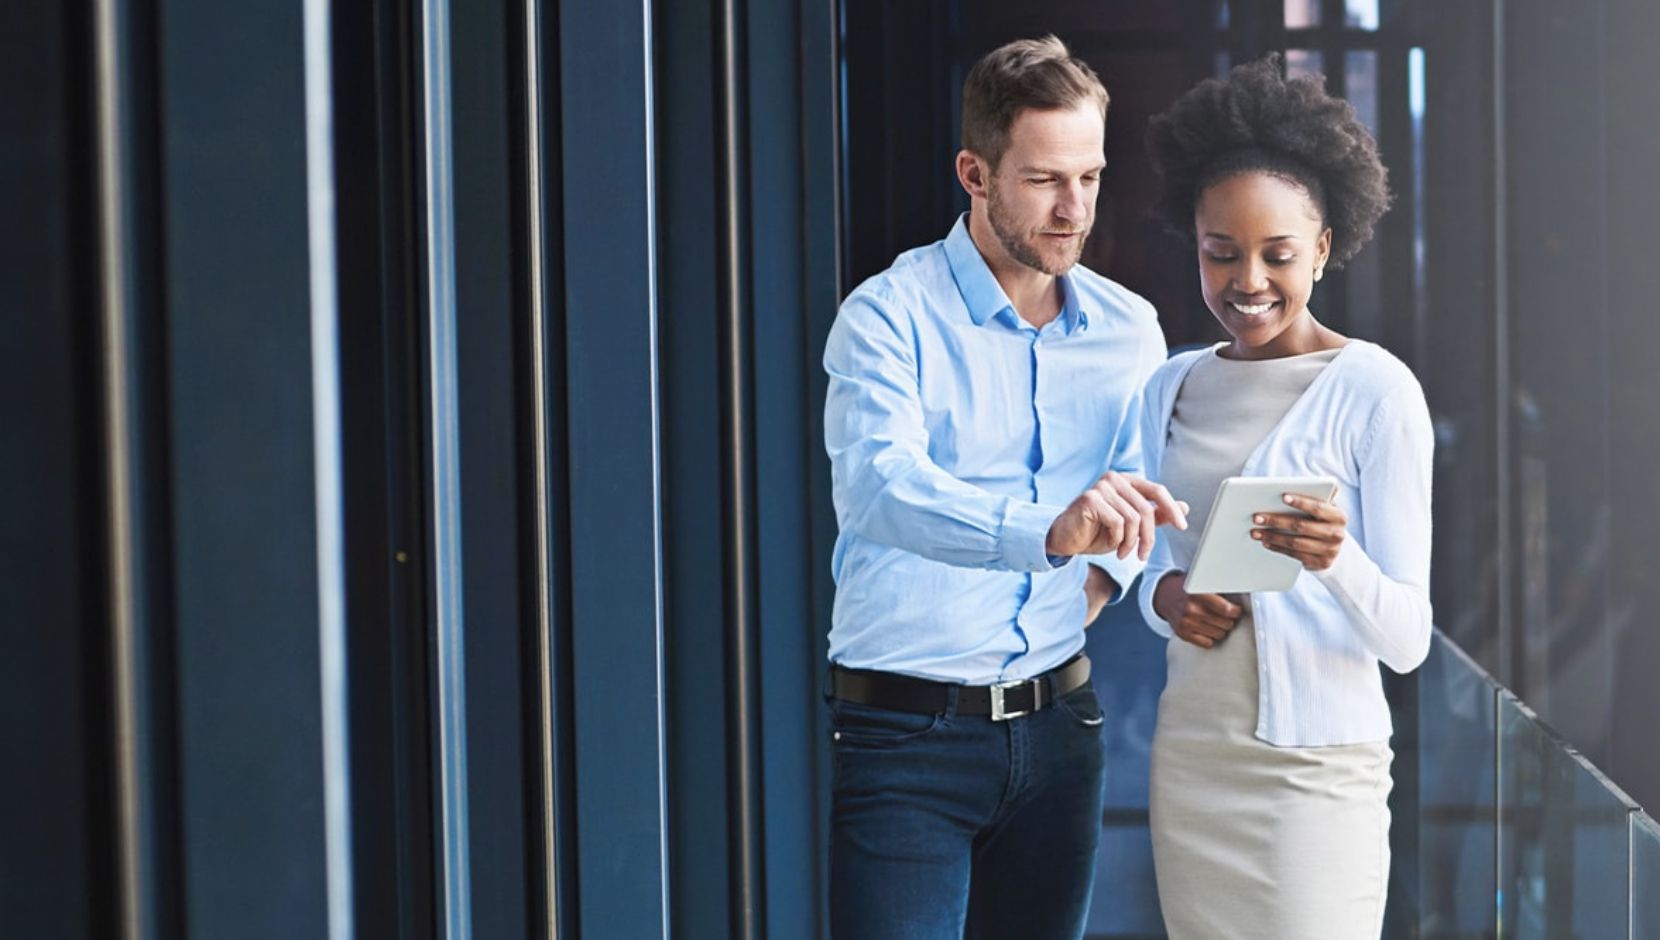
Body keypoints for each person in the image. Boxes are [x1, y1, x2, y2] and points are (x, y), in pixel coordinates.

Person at [821, 35, 1187, 939]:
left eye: (1091, 177)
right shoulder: (887, 315)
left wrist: (1105, 579)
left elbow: (1138, 488)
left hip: (1061, 727)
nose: (1075, 209)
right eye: (1044, 181)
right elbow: (878, 486)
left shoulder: (1130, 329)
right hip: (906, 738)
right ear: (974, 174)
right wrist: (1047, 535)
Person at [1137, 56, 1434, 939]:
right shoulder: (1169, 386)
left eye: (1278, 254)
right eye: (1219, 253)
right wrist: (1167, 599)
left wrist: (1334, 557)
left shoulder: (1375, 390)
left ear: (1326, 247)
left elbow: (1409, 640)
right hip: (1193, 756)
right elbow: (1153, 563)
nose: (1247, 282)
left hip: (1316, 774)